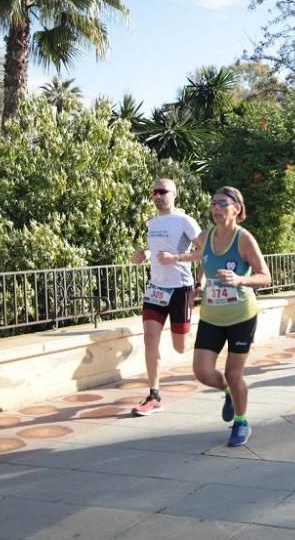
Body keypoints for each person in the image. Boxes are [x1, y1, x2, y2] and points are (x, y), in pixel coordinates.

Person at [183, 186, 271, 447]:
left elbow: (265, 276)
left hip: (241, 315)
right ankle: (228, 394)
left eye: (222, 204)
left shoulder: (244, 239)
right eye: (213, 204)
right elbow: (202, 258)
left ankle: (241, 422)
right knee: (202, 371)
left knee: (234, 374)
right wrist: (197, 285)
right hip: (212, 315)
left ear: (237, 209)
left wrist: (241, 280)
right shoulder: (205, 235)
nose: (216, 209)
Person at [130, 178, 203, 417]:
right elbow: (158, 250)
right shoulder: (152, 223)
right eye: (155, 192)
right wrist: (145, 253)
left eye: (163, 191)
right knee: (150, 339)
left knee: (180, 347)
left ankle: (203, 340)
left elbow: (205, 252)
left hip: (181, 289)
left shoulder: (184, 220)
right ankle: (154, 394)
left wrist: (177, 258)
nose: (158, 196)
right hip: (156, 289)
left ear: (174, 194)